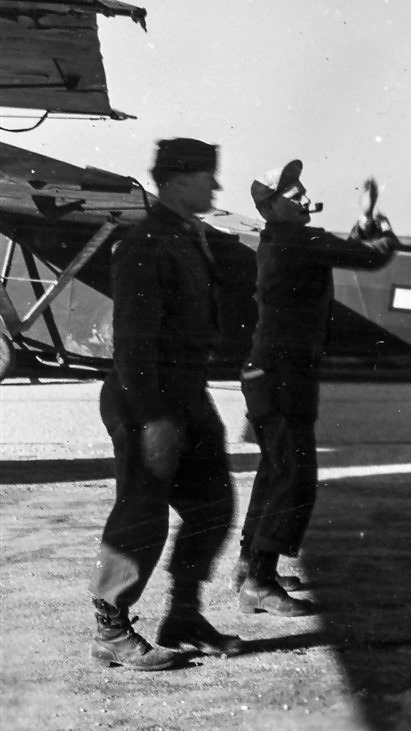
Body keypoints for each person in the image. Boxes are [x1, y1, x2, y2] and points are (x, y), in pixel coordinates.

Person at [90, 137, 241, 670]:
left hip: (186, 392)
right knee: (143, 510)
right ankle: (111, 630)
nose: (215, 187)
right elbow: (132, 343)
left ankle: (184, 616)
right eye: (206, 178)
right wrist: (154, 417)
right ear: (178, 181)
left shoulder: (184, 234)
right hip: (146, 396)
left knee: (214, 505)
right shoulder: (145, 242)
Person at [235, 161, 398, 616]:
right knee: (295, 477)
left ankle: (249, 565)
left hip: (269, 373)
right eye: (296, 195)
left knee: (275, 471)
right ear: (272, 207)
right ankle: (259, 583)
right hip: (284, 375)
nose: (306, 199)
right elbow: (370, 256)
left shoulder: (282, 239)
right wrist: (376, 223)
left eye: (305, 191)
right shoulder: (296, 240)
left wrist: (364, 222)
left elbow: (346, 248)